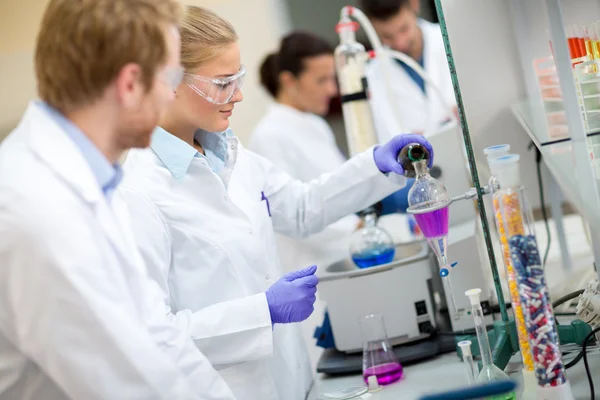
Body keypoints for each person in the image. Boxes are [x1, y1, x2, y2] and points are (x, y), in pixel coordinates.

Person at [115, 6, 433, 400]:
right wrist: (260, 312)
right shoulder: (138, 193)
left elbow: (302, 207)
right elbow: (151, 336)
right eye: (222, 82)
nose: (240, 94)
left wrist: (375, 165)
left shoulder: (231, 154)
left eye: (239, 78)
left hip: (295, 379)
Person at [0, 1, 235, 399]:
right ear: (129, 85)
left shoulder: (92, 179)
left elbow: (160, 339)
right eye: (172, 77)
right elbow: (133, 386)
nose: (170, 95)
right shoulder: (39, 209)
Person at [360, 0, 458, 139]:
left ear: (414, 5)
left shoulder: (453, 40)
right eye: (387, 36)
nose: (400, 44)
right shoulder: (372, 76)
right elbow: (385, 139)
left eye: (404, 29)